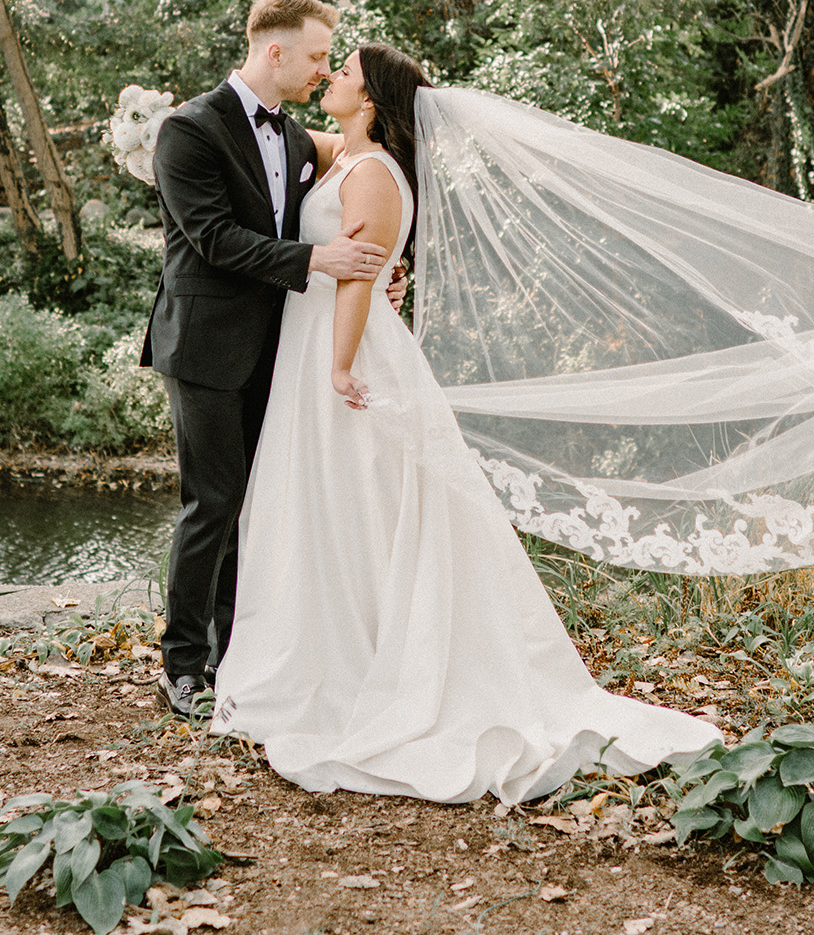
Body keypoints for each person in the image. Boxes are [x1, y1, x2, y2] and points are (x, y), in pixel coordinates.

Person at [206, 43, 721, 802]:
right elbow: (280, 146)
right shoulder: (349, 158)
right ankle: (327, 643)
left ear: (372, 99)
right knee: (338, 505)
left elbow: (356, 275)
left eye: (342, 71)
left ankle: (369, 662)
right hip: (313, 346)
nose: (331, 77)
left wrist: (342, 365)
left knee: (362, 505)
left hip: (343, 355)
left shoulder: (376, 175)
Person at [140, 0, 391, 719]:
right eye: (316, 55)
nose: (322, 68)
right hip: (205, 344)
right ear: (273, 51)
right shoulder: (187, 130)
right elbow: (213, 239)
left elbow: (364, 173)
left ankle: (232, 651)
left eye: (328, 60)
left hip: (278, 346)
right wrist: (322, 258)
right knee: (210, 504)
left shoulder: (291, 135)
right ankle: (182, 665)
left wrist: (376, 258)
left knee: (253, 507)